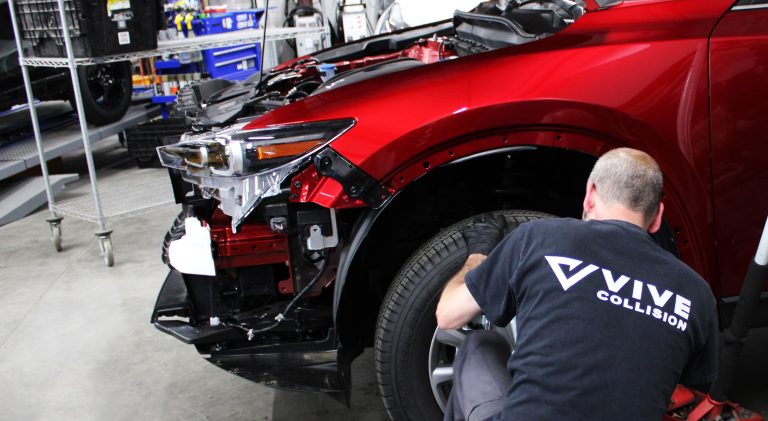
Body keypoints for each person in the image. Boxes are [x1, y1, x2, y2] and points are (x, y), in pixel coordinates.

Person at [436, 148, 719, 421]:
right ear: (657, 217)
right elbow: (690, 391)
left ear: (590, 195)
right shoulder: (696, 293)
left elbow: (448, 315)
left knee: (479, 344)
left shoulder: (538, 238)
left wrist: (478, 257)